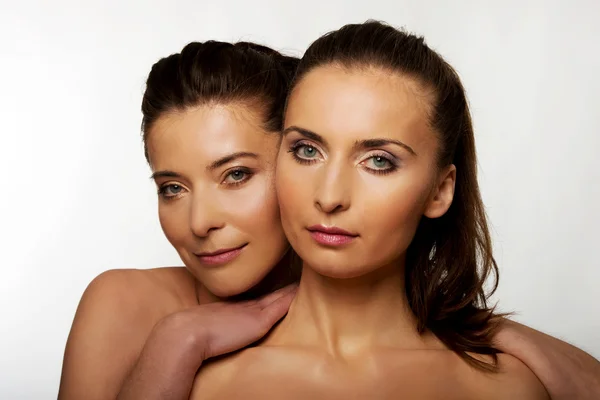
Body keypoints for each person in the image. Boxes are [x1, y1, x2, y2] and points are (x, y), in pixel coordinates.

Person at [58, 32, 600, 400]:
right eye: (308, 152)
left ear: (440, 189)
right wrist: (176, 343)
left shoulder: (503, 379)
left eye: (238, 174)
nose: (330, 194)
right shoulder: (153, 329)